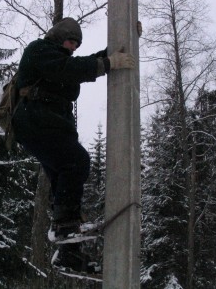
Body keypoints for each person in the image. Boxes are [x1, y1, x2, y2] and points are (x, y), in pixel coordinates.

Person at [12, 17, 135, 273]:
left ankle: (68, 252)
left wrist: (125, 42)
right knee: (75, 162)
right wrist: (107, 64)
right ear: (58, 37)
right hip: (34, 120)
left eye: (77, 45)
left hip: (51, 126)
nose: (73, 48)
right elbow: (68, 69)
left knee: (63, 181)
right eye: (70, 41)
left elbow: (77, 64)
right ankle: (65, 230)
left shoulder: (62, 59)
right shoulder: (39, 50)